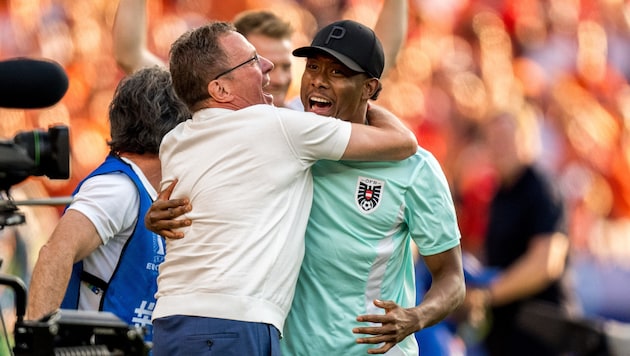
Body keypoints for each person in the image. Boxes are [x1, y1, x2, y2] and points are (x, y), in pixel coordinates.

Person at [148, 20, 465, 355]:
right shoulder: (280, 141)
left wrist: (415, 317)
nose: (318, 80)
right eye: (312, 66)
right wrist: (156, 215)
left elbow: (452, 278)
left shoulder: (414, 168)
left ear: (369, 88)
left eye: (338, 72)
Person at [25, 66, 191, 344]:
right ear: (176, 130)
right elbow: (56, 252)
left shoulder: (147, 190)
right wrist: (36, 346)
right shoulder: (117, 188)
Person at [112, 0, 407, 108]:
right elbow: (129, 53)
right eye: (261, 64)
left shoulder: (304, 117)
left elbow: (380, 59)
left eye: (285, 66)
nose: (277, 78)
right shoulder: (202, 105)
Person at [464, 107, 574, 356]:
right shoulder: (500, 192)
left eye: (505, 138)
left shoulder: (543, 189)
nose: (497, 147)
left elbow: (546, 263)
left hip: (542, 334)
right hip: (508, 333)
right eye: (492, 140)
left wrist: (488, 295)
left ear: (526, 139)